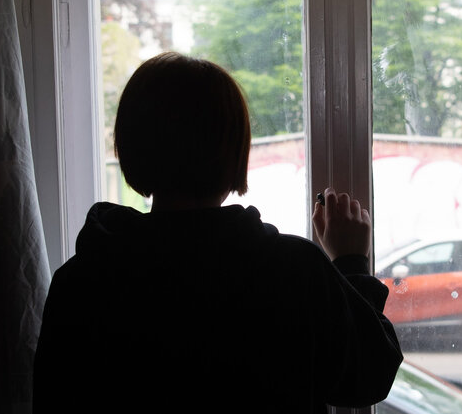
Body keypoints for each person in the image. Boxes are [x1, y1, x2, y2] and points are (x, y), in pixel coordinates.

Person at [32, 52, 403, 413]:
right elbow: (367, 378)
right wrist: (351, 262)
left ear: (130, 147)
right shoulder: (291, 270)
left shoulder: (81, 283)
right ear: (233, 153)